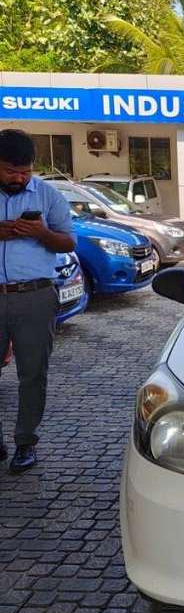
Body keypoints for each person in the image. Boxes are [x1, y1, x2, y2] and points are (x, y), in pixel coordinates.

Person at [0, 129, 75, 472]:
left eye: (25, 171)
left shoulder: (47, 195)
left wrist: (41, 233)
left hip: (34, 296)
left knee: (32, 374)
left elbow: (68, 243)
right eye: (11, 171)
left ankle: (25, 442)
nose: (19, 177)